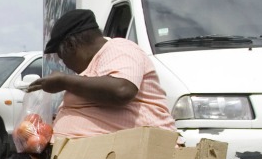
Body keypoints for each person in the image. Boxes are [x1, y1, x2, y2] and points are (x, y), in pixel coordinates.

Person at [29, 8, 175, 140]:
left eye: (62, 57)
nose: (64, 64)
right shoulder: (91, 69)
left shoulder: (120, 48)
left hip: (138, 152)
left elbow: (122, 90)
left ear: (70, 45)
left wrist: (64, 81)